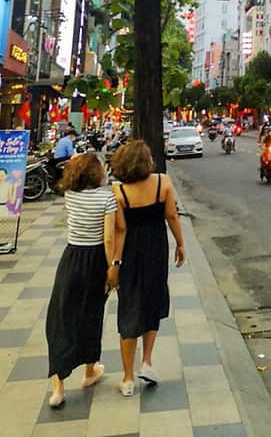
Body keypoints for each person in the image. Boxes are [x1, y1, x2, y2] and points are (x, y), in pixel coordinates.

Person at [109, 140, 185, 397]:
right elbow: (172, 215)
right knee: (153, 300)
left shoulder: (118, 192)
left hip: (130, 251)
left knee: (129, 306)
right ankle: (147, 362)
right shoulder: (163, 183)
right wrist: (180, 243)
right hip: (156, 248)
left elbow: (119, 230)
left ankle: (128, 377)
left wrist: (114, 263)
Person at [45, 153, 117, 409]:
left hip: (72, 257)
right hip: (96, 260)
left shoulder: (70, 195)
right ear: (96, 173)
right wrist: (112, 268)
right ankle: (89, 371)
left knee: (61, 318)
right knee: (91, 315)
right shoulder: (108, 197)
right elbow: (109, 238)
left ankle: (58, 388)